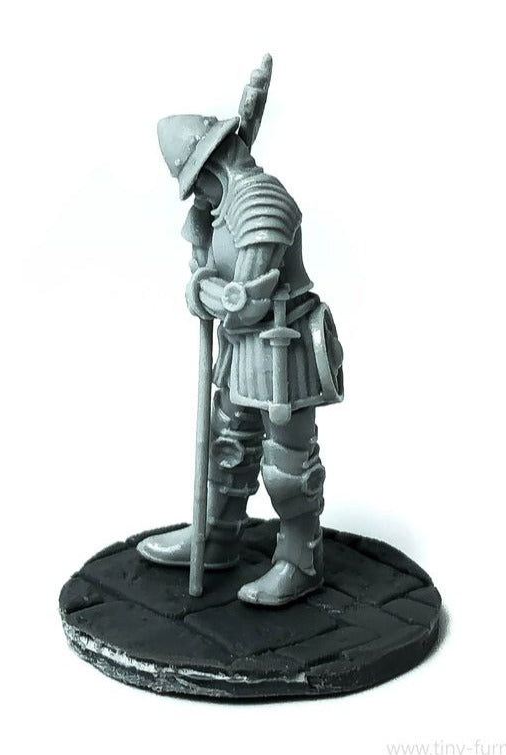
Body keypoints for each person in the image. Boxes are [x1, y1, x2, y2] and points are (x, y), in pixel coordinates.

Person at [136, 111, 344, 606]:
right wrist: (205, 285)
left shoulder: (261, 205)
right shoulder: (219, 208)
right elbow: (210, 279)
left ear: (210, 168)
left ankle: (300, 559)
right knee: (227, 445)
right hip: (242, 351)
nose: (198, 195)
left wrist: (206, 291)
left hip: (283, 348)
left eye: (197, 183)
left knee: (288, 467)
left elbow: (245, 301)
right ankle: (216, 536)